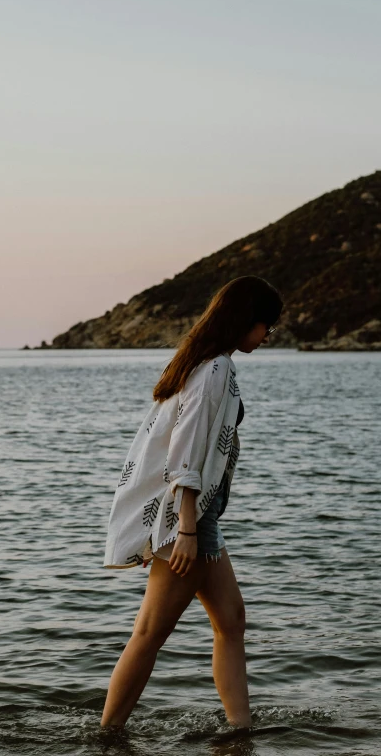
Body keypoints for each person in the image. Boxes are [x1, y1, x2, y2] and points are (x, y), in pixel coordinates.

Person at [101, 275, 284, 730]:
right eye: (268, 327)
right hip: (194, 520)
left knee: (231, 620)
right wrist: (180, 530)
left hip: (200, 519)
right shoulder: (216, 368)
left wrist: (172, 526)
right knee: (149, 634)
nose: (267, 337)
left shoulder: (202, 362)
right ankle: (107, 734)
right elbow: (183, 453)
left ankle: (240, 730)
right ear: (247, 321)